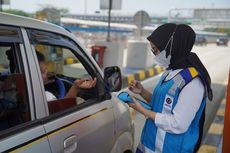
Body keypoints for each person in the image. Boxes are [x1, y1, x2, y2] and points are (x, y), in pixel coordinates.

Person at [128, 23, 213, 153]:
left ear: (172, 46)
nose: (154, 55)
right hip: (148, 145)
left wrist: (142, 110)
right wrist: (143, 92)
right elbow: (163, 105)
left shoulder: (193, 82)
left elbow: (178, 124)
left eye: (155, 50)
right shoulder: (170, 71)